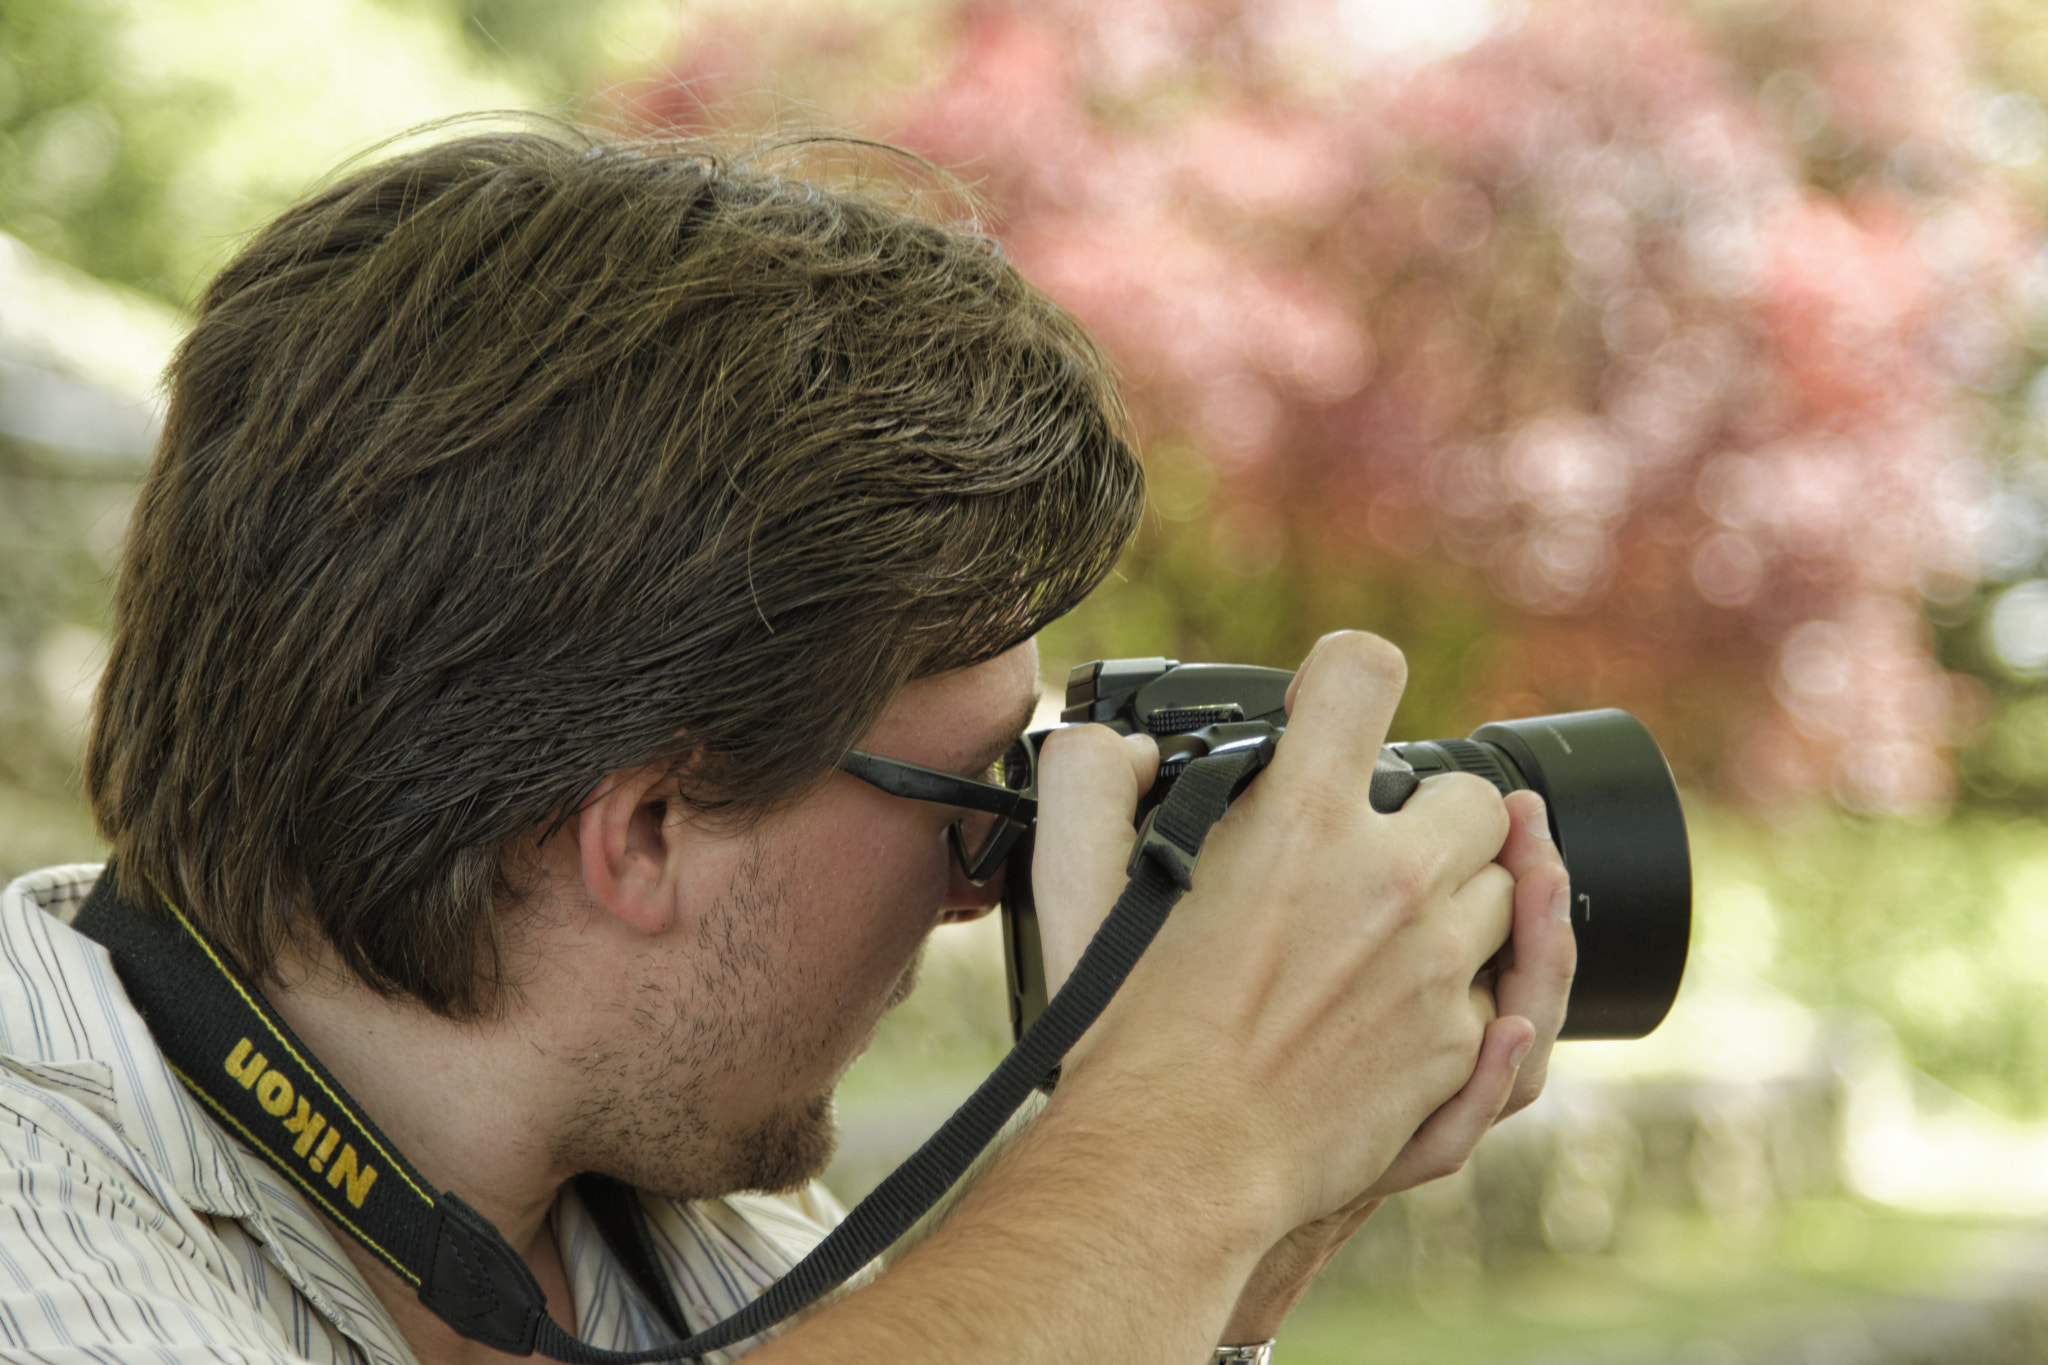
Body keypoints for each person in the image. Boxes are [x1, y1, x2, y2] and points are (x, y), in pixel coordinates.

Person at [0, 120, 1575, 1365]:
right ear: (644, 829)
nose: (987, 889)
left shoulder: (686, 1226)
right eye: (977, 800)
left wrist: (1230, 1277)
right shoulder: (34, 1208)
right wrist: (1181, 1147)